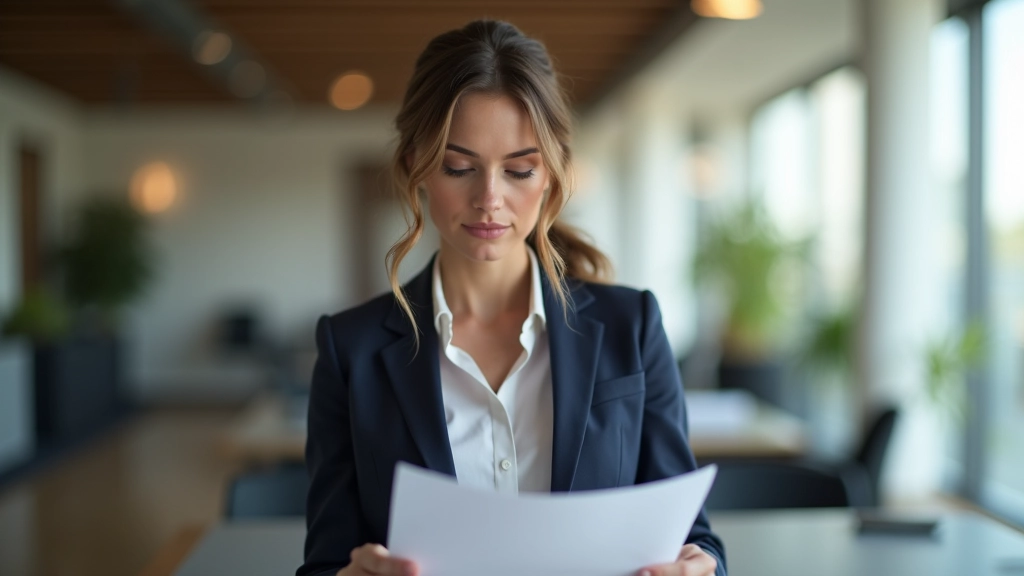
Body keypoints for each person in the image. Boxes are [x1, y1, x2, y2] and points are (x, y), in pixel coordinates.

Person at [298, 19, 726, 576]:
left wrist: (702, 569)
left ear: (551, 174)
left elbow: (693, 536)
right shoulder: (348, 350)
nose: (489, 200)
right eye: (459, 167)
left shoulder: (632, 326)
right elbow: (325, 563)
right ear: (415, 166)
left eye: (520, 170)